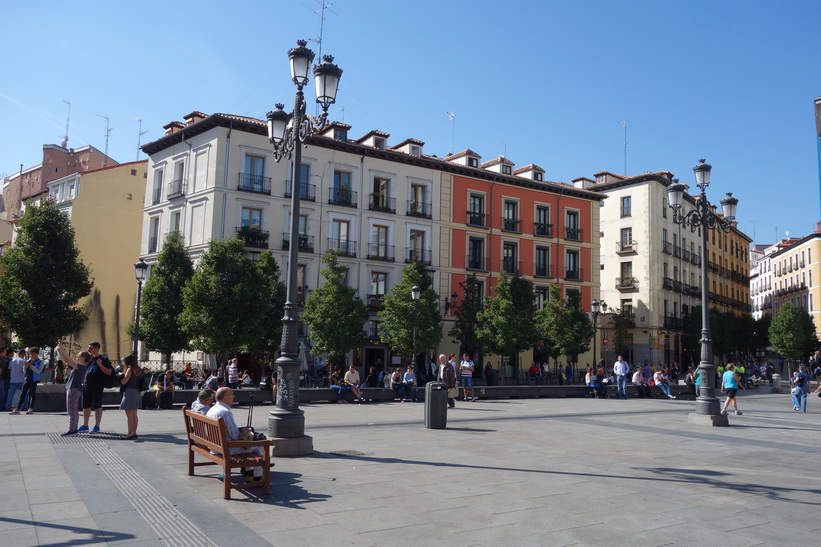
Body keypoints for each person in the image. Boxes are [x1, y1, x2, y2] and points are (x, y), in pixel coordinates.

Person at [206, 387, 265, 482]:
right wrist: (244, 433)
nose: (234, 397)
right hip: (225, 448)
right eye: (232, 394)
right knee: (260, 446)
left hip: (215, 446)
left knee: (249, 444)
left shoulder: (213, 409)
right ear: (225, 398)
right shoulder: (225, 412)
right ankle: (257, 478)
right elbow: (235, 436)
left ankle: (250, 472)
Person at [56, 343, 90, 436]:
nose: (77, 357)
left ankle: (72, 430)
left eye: (79, 356)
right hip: (74, 388)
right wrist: (62, 351)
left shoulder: (82, 366)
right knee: (72, 410)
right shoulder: (82, 366)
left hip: (74, 389)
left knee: (72, 411)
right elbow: (69, 360)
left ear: (84, 357)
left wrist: (60, 350)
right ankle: (73, 429)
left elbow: (68, 360)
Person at [79, 342, 113, 433]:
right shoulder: (88, 359)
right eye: (88, 348)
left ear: (97, 349)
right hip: (86, 385)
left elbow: (108, 372)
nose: (88, 350)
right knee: (86, 406)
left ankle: (97, 426)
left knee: (97, 406)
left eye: (91, 348)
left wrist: (100, 364)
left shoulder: (103, 358)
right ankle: (85, 425)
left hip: (97, 386)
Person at [118, 355, 144, 440]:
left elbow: (124, 382)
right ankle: (134, 433)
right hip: (136, 392)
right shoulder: (138, 369)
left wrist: (120, 376)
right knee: (134, 415)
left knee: (129, 415)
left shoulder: (130, 369)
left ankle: (129, 434)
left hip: (129, 392)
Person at [15, 347, 45, 414]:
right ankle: (18, 408)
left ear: (37, 354)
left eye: (33, 354)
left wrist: (31, 366)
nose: (31, 356)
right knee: (23, 393)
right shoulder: (29, 361)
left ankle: (31, 408)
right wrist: (25, 366)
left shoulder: (40, 362)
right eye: (30, 354)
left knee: (32, 394)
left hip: (34, 380)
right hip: (27, 379)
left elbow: (39, 371)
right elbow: (24, 371)